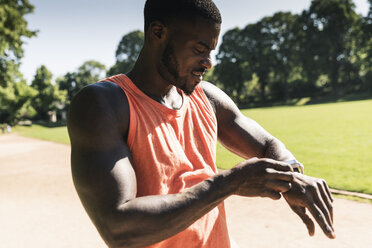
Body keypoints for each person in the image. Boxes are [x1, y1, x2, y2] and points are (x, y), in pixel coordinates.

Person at [67, 0, 335, 247]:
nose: (208, 62)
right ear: (158, 32)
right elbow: (119, 228)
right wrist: (229, 183)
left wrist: (292, 176)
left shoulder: (207, 97)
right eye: (199, 49)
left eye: (211, 51)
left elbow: (268, 145)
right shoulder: (103, 104)